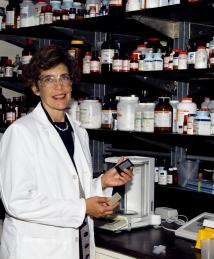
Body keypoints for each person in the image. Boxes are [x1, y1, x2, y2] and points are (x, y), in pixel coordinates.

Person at [0, 44, 133, 259]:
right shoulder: (20, 132)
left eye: (64, 77)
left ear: (72, 82)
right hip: (36, 250)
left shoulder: (78, 132)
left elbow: (71, 190)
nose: (59, 87)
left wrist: (102, 183)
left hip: (76, 246)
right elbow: (17, 201)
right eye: (49, 79)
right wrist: (82, 209)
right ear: (36, 88)